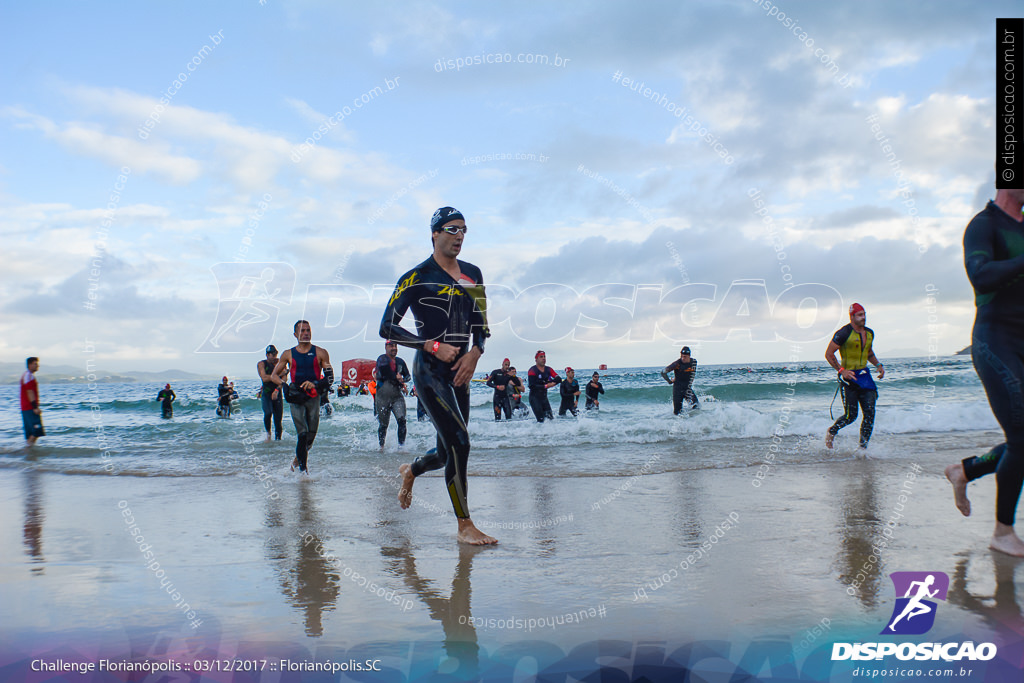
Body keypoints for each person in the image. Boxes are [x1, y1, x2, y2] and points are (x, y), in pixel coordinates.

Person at [381, 206, 496, 545]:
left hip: (462, 371)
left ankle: (411, 470)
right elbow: (386, 326)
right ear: (434, 233)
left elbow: (482, 325)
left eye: (463, 229)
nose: (459, 235)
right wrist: (431, 347)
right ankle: (465, 526)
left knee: (448, 452)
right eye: (451, 229)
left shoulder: (473, 274)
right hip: (429, 371)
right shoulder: (415, 277)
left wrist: (476, 354)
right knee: (461, 443)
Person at [944, 186, 1024, 556]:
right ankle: (1003, 532)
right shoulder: (984, 225)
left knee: (1020, 441)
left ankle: (966, 471)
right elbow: (981, 275)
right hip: (996, 342)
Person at [271, 320, 333, 474]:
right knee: (302, 434)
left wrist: (316, 385)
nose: (305, 333)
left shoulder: (321, 352)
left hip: (313, 397)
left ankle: (296, 463)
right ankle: (303, 473)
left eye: (308, 330)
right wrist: (284, 386)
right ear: (295, 334)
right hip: (296, 397)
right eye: (302, 331)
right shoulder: (288, 354)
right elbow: (274, 376)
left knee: (310, 438)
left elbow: (330, 377)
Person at [824, 304, 884, 449]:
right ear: (852, 317)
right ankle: (832, 431)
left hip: (864, 376)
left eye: (864, 314)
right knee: (851, 416)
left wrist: (878, 365)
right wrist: (842, 370)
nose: (863, 317)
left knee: (870, 414)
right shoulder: (843, 333)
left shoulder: (869, 333)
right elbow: (829, 354)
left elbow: (869, 353)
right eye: (860, 315)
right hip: (849, 378)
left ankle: (863, 449)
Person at [375, 340, 411, 449]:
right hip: (382, 397)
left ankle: (401, 447)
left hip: (397, 397)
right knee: (383, 425)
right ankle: (381, 447)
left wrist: (403, 380)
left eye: (395, 346)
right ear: (386, 347)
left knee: (402, 420)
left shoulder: (400, 362)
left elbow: (408, 376)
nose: (394, 348)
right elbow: (384, 372)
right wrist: (396, 377)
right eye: (391, 346)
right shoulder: (382, 359)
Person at [661, 346, 700, 414]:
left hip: (687, 388)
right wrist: (670, 381)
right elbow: (663, 372)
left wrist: (690, 384)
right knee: (677, 412)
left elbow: (693, 373)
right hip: (677, 389)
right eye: (682, 356)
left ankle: (693, 422)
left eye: (685, 356)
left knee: (696, 406)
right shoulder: (677, 364)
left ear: (689, 356)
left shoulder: (694, 362)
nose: (683, 358)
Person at [258, 345, 284, 440]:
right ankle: (268, 435)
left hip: (277, 393)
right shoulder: (261, 364)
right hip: (267, 394)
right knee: (268, 413)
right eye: (272, 354)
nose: (274, 356)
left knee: (278, 419)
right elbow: (264, 378)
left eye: (275, 354)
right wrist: (277, 376)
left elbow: (284, 380)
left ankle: (278, 440)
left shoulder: (280, 363)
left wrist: (277, 389)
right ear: (267, 355)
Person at [527, 351, 561, 422]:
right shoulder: (532, 370)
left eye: (544, 356)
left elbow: (558, 379)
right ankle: (535, 433)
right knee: (541, 420)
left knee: (550, 419)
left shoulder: (549, 369)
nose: (543, 358)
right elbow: (531, 386)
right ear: (536, 359)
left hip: (544, 398)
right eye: (541, 357)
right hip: (534, 398)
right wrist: (546, 386)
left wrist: (552, 383)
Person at [20, 357, 44, 447]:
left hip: (26, 408)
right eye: (35, 364)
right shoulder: (28, 375)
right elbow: (29, 391)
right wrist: (35, 407)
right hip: (29, 408)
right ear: (30, 365)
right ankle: (28, 450)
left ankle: (29, 454)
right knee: (37, 430)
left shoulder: (27, 375)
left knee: (31, 433)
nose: (38, 366)